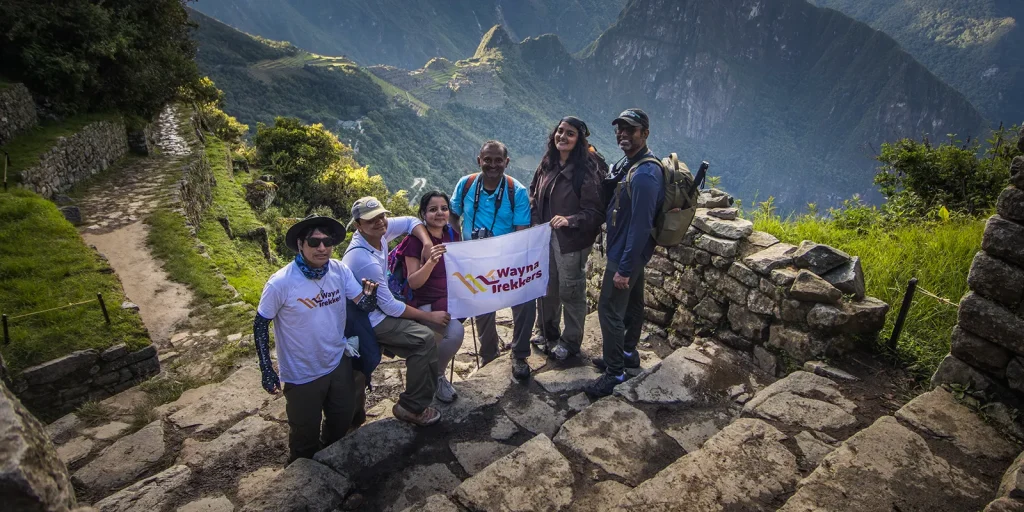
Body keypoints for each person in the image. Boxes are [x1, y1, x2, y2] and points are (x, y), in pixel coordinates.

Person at [254, 215, 380, 462]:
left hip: (337, 360)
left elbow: (360, 303)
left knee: (342, 417)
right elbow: (260, 323)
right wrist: (266, 369)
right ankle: (302, 473)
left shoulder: (339, 271)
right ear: (301, 244)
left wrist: (370, 296)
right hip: (302, 372)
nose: (322, 248)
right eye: (314, 242)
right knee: (304, 433)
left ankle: (330, 458)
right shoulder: (281, 283)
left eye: (327, 241)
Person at [342, 196, 449, 426]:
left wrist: (427, 243)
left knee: (422, 336)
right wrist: (428, 316)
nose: (380, 222)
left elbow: (411, 221)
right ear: (359, 225)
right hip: (368, 317)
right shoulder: (362, 259)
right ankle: (411, 407)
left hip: (374, 308)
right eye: (372, 220)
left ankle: (357, 419)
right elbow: (388, 305)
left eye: (382, 215)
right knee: (424, 339)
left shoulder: (378, 233)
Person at [585, 108, 664, 398]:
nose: (623, 134)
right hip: (631, 252)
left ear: (645, 133)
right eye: (620, 129)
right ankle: (629, 354)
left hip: (626, 253)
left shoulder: (644, 175)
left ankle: (614, 371)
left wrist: (625, 268)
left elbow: (641, 225)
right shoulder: (632, 163)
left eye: (630, 130)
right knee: (632, 303)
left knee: (608, 308)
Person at [450, 140, 535, 380]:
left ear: (507, 162)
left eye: (498, 160)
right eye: (488, 159)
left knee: (524, 301)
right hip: (474, 257)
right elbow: (453, 216)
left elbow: (521, 230)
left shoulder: (515, 191)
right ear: (479, 160)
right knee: (482, 308)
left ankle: (519, 354)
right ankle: (488, 355)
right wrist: (458, 243)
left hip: (506, 257)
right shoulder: (466, 185)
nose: (493, 165)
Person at [528, 116, 606, 360]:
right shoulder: (548, 162)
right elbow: (533, 192)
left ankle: (571, 341)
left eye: (569, 133)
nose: (562, 137)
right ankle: (547, 332)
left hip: (572, 241)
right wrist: (533, 222)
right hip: (546, 236)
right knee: (547, 287)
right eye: (560, 131)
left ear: (579, 140)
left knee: (571, 291)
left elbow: (595, 212)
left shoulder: (585, 170)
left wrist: (569, 220)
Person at [394, 191, 465, 403]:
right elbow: (414, 282)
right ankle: (434, 377)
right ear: (423, 214)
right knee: (453, 333)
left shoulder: (452, 235)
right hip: (423, 303)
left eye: (444, 208)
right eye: (433, 209)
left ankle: (435, 374)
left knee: (451, 334)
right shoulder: (414, 242)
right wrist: (431, 262)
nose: (440, 213)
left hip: (447, 299)